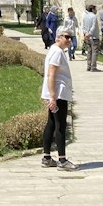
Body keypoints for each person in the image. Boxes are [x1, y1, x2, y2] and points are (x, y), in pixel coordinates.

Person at [40, 26, 76, 170]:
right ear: (58, 37)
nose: (69, 40)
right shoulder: (57, 52)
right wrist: (53, 97)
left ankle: (47, 157)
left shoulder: (57, 51)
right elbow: (51, 75)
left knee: (51, 124)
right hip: (58, 94)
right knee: (60, 125)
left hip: (57, 93)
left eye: (70, 38)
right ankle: (62, 160)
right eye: (66, 37)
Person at [82, 5, 100, 71]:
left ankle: (88, 66)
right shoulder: (94, 16)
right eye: (95, 9)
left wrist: (86, 33)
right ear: (92, 9)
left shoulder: (85, 16)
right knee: (94, 52)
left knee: (89, 51)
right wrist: (89, 33)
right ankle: (93, 67)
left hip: (87, 37)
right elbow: (93, 26)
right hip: (94, 36)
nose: (96, 10)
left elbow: (83, 26)